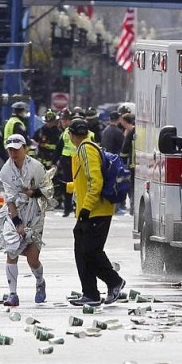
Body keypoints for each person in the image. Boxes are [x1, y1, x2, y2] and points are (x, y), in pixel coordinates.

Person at [66, 118, 126, 306]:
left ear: (71, 135)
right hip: (93, 210)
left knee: (91, 252)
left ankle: (114, 282)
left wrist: (86, 208)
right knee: (84, 253)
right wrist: (65, 187)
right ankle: (90, 293)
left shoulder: (85, 149)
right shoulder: (87, 147)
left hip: (95, 211)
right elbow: (84, 183)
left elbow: (96, 182)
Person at [0, 134, 53, 306]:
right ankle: (13, 294)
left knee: (32, 258)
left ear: (24, 148)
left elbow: (48, 188)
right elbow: (9, 199)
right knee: (11, 250)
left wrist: (34, 193)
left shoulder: (36, 167)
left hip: (35, 213)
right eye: (10, 150)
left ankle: (40, 282)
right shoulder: (6, 171)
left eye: (16, 150)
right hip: (15, 212)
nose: (13, 153)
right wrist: (17, 223)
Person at [119, 113, 136, 215]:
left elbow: (124, 150)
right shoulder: (141, 131)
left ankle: (133, 209)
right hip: (144, 165)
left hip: (133, 165)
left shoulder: (131, 132)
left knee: (132, 188)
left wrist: (122, 162)